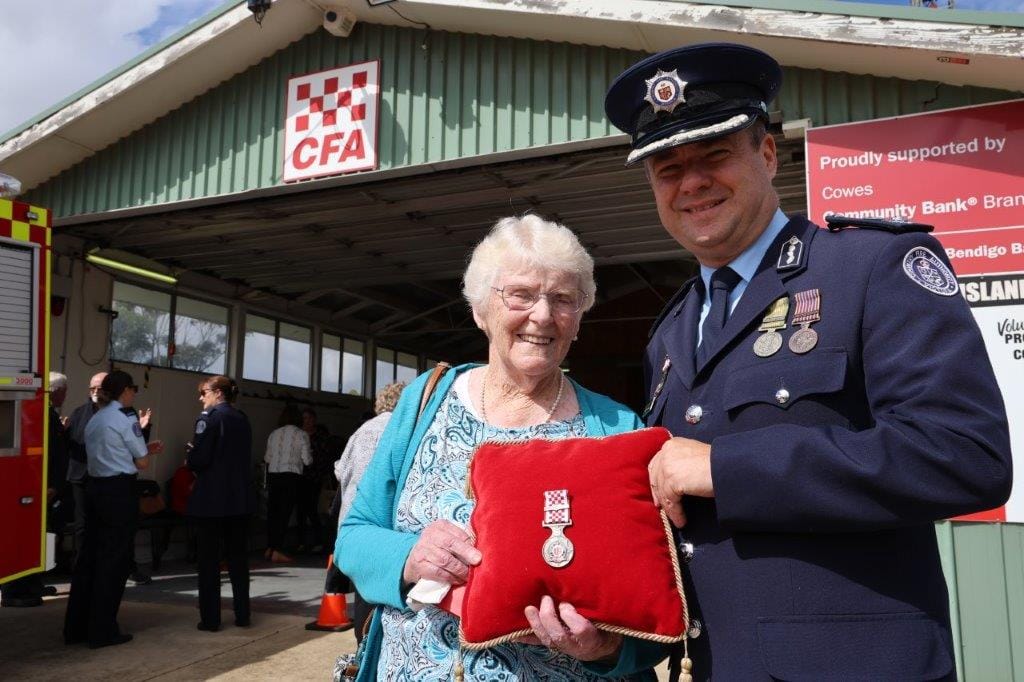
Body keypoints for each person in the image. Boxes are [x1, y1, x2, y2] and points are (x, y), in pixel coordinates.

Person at [603, 43, 1013, 680]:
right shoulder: (673, 328)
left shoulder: (872, 269)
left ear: (767, 154)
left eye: (714, 154)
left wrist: (726, 467)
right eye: (666, 168)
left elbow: (965, 457)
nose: (691, 182)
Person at [338, 215, 665, 681]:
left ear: (580, 318)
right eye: (521, 294)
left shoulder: (616, 428)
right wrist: (408, 557)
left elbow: (650, 595)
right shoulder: (424, 403)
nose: (543, 315)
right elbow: (355, 534)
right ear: (479, 309)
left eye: (563, 299)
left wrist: (606, 647)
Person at [63, 370, 164, 648]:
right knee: (114, 562)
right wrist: (144, 451)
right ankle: (102, 630)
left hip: (94, 488)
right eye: (133, 388)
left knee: (89, 560)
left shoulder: (94, 419)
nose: (134, 393)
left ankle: (75, 628)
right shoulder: (123, 419)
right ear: (125, 391)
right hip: (118, 492)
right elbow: (141, 462)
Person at [333, 381, 405, 642]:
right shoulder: (403, 428)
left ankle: (363, 649)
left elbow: (340, 469)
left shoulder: (362, 430)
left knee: (363, 589)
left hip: (353, 524)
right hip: (382, 525)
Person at [187, 375, 255, 632]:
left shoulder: (210, 418)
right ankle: (243, 614)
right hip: (239, 500)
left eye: (203, 392)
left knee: (208, 562)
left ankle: (211, 618)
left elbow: (199, 459)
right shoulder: (242, 419)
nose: (201, 398)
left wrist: (190, 455)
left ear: (217, 393)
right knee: (238, 561)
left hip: (211, 502)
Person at [0, 372, 70, 607]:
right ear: (55, 391)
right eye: (63, 391)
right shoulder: (34, 413)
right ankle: (13, 591)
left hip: (45, 489)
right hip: (34, 488)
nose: (64, 395)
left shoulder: (48, 413)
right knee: (21, 536)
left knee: (39, 539)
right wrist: (47, 486)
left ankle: (32, 584)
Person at [65, 371, 106, 565]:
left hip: (106, 478)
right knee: (82, 525)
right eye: (93, 388)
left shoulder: (119, 413)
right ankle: (82, 564)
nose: (96, 392)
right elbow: (71, 442)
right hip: (81, 477)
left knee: (104, 524)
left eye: (100, 388)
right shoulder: (79, 412)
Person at [263, 405, 311, 563]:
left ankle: (270, 547)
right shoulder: (302, 434)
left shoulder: (274, 434)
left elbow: (267, 458)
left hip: (273, 475)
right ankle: (277, 550)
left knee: (273, 513)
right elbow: (307, 460)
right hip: (291, 476)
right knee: (284, 513)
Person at [296, 407, 331, 553]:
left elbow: (324, 457)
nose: (307, 421)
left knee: (311, 509)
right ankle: (301, 541)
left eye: (309, 418)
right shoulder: (298, 435)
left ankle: (318, 541)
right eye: (304, 418)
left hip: (315, 477)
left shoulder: (320, 436)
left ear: (314, 420)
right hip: (300, 477)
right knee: (300, 511)